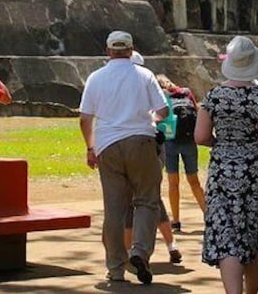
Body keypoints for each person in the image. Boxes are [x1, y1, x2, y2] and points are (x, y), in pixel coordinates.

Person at [197, 35, 258, 294]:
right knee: (254, 234)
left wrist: (223, 144)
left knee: (228, 235)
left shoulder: (213, 96)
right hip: (255, 171)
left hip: (222, 172)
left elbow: (200, 137)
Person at [79, 31, 169, 285]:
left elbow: (85, 118)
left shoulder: (96, 77)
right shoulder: (144, 75)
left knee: (114, 209)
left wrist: (90, 147)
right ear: (131, 50)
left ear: (108, 51)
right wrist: (150, 120)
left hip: (107, 144)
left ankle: (115, 267)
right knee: (147, 200)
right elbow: (162, 110)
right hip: (141, 140)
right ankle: (140, 252)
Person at [125, 52, 182, 264]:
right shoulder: (150, 84)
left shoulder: (124, 88)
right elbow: (164, 112)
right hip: (155, 145)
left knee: (129, 202)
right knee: (152, 197)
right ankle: (171, 244)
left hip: (135, 146)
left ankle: (130, 251)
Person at [155, 72, 207, 233]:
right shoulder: (185, 92)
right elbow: (197, 112)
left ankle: (176, 221)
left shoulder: (160, 96)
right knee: (194, 181)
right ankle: (209, 216)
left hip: (170, 141)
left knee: (173, 183)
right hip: (189, 140)